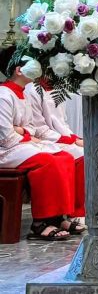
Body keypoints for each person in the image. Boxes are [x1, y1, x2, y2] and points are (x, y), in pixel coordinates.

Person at [0, 49, 82, 240]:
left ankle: (59, 217)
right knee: (48, 162)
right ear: (19, 70)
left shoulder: (22, 94)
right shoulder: (4, 95)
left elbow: (31, 127)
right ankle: (40, 223)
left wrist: (22, 131)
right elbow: (5, 136)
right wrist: (24, 134)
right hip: (5, 149)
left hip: (20, 144)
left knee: (64, 157)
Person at [24, 78, 85, 229]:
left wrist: (74, 138)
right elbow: (39, 128)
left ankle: (78, 211)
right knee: (74, 156)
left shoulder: (58, 89)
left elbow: (62, 122)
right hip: (45, 138)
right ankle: (67, 214)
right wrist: (69, 140)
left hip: (58, 138)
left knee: (83, 154)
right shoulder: (32, 90)